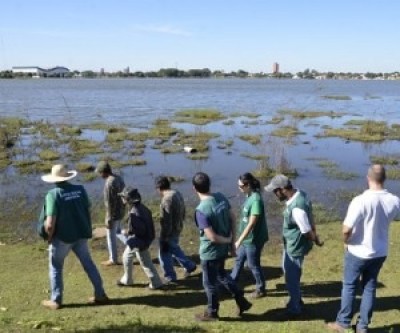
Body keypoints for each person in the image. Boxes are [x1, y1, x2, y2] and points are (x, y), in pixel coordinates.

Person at [327, 165, 400, 333]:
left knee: (349, 286)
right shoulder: (394, 200)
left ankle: (343, 322)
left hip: (358, 251)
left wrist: (346, 241)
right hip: (379, 252)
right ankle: (362, 326)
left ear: (368, 179)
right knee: (369, 287)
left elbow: (346, 229)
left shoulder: (360, 200)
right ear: (384, 179)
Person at [41, 164, 109, 310]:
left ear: (54, 179)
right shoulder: (80, 189)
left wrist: (49, 237)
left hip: (63, 238)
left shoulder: (53, 195)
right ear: (67, 177)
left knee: (55, 267)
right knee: (88, 264)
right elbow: (87, 208)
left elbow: (49, 224)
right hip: (81, 234)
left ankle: (56, 300)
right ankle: (100, 294)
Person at [192, 172, 252, 321]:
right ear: (209, 184)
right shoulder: (221, 197)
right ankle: (241, 300)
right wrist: (231, 243)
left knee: (209, 283)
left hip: (210, 253)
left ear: (194, 189)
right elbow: (233, 217)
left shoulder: (201, 210)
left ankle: (212, 312)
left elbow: (211, 237)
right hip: (222, 251)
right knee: (222, 275)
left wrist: (227, 240)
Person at [265, 174, 322, 318]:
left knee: (291, 278)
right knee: (290, 273)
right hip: (291, 245)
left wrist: (316, 239)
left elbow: (306, 231)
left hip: (295, 247)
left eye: (275, 191)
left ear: (282, 189)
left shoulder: (296, 209)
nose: (274, 194)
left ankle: (295, 309)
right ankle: (296, 300)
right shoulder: (300, 194)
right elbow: (311, 217)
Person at [116, 187, 164, 290]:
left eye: (123, 197)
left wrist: (127, 232)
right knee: (127, 257)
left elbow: (139, 231)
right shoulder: (142, 208)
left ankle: (156, 283)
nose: (122, 199)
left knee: (145, 263)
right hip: (144, 239)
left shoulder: (134, 213)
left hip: (139, 241)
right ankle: (127, 280)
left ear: (128, 200)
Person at [230, 172, 268, 298]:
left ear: (248, 185)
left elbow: (252, 224)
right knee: (239, 260)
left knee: (253, 264)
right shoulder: (249, 195)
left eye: (241, 186)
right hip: (245, 239)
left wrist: (238, 241)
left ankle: (260, 288)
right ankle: (231, 283)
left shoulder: (256, 200)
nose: (239, 188)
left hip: (253, 239)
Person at [155, 176, 196, 283]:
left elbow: (167, 220)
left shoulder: (166, 199)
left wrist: (164, 237)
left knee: (163, 254)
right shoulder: (176, 193)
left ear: (159, 188)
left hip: (170, 231)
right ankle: (189, 266)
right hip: (178, 227)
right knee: (174, 249)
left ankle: (170, 276)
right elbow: (183, 210)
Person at [95, 161, 125, 266]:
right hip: (121, 210)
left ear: (103, 172)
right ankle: (133, 246)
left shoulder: (109, 183)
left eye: (100, 173)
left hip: (114, 213)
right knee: (118, 232)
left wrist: (108, 218)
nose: (99, 175)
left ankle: (113, 259)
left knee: (110, 235)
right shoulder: (118, 178)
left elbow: (109, 203)